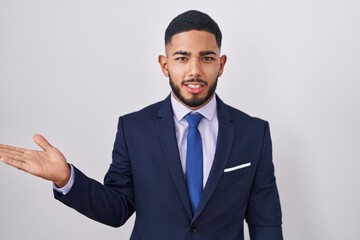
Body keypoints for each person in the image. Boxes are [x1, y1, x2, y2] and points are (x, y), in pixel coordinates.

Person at [0, 10, 283, 240]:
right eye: (182, 58)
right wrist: (65, 178)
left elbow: (266, 223)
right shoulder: (133, 129)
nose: (194, 70)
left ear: (220, 64)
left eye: (206, 58)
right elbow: (116, 210)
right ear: (164, 65)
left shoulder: (253, 133)